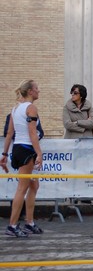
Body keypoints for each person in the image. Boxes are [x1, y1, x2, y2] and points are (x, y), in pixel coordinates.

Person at [0, 80, 44, 237]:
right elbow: (33, 133)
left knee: (34, 185)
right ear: (31, 91)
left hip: (19, 148)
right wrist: (39, 153)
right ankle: (12, 225)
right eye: (37, 88)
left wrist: (4, 154)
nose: (39, 91)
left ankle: (29, 223)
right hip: (26, 149)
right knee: (22, 187)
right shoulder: (30, 108)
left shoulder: (16, 108)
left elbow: (10, 133)